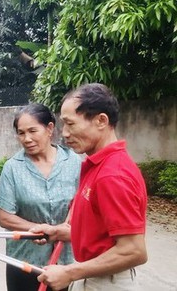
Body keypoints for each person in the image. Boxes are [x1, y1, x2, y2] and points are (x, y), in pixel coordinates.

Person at [33, 83, 148, 291]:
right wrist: (59, 232)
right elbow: (102, 235)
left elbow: (133, 250)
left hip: (106, 283)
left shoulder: (112, 174)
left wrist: (69, 272)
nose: (65, 134)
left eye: (70, 124)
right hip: (94, 276)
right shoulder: (96, 165)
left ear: (101, 121)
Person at [0, 103, 81, 291]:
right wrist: (41, 230)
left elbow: (84, 204)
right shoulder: (13, 168)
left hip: (66, 263)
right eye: (21, 133)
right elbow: (5, 218)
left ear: (49, 129)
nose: (27, 139)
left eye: (33, 131)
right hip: (25, 263)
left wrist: (62, 231)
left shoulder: (74, 162)